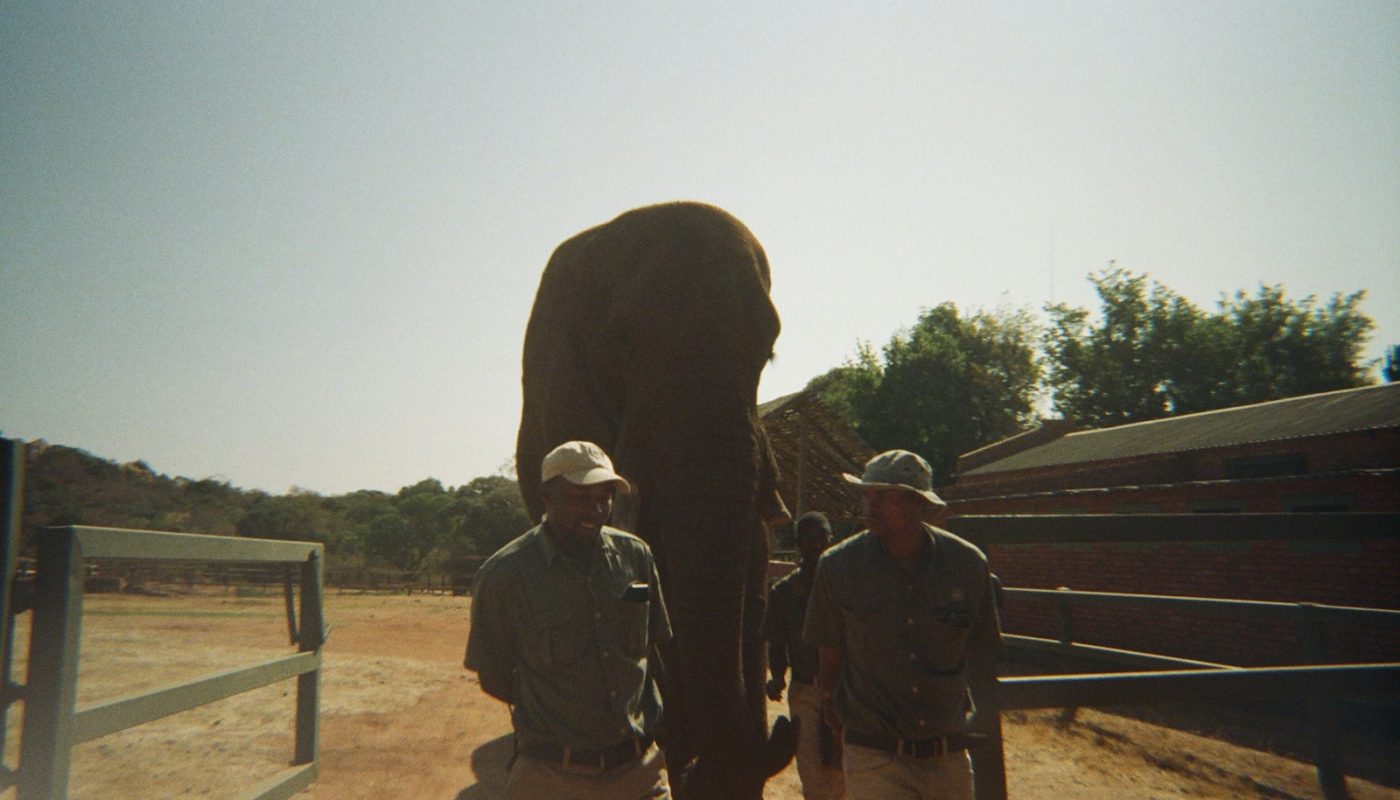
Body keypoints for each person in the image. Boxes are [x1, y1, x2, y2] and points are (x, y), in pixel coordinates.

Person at [465, 440, 672, 799]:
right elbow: (494, 677)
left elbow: (650, 652)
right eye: (580, 497)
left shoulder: (636, 556)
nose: (595, 510)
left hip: (639, 772)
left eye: (604, 497)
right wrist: (565, 714)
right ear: (547, 495)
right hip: (551, 778)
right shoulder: (505, 574)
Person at [803, 450, 1000, 800]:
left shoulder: (967, 565)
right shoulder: (839, 567)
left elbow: (979, 647)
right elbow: (829, 654)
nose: (870, 505)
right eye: (867, 494)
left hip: (947, 752)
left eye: (886, 496)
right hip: (875, 754)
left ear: (918, 504)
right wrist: (832, 705)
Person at [764, 511, 848, 800]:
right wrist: (776, 677)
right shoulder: (783, 593)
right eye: (807, 539)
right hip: (807, 691)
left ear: (831, 541)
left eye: (821, 538)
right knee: (812, 769)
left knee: (847, 771)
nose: (815, 545)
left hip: (847, 689)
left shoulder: (847, 586)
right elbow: (777, 642)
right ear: (798, 544)